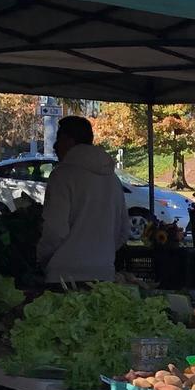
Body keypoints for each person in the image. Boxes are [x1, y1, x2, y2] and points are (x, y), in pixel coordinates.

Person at [36, 115, 126, 284]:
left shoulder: (62, 176)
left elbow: (55, 230)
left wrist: (43, 258)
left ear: (69, 141)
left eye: (58, 139)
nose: (54, 146)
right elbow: (122, 231)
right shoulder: (113, 179)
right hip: (104, 274)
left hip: (64, 276)